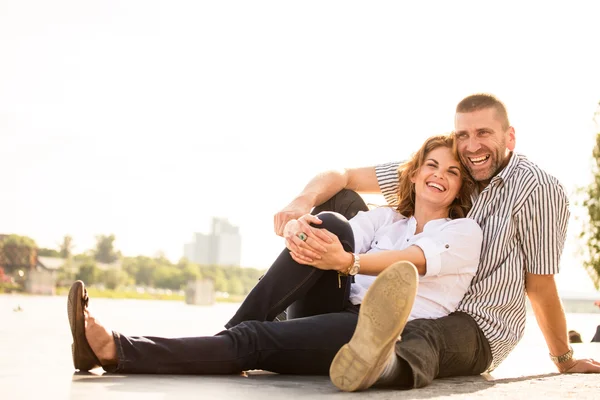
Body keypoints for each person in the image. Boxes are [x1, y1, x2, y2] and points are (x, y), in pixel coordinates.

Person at [68, 134, 483, 391]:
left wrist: (349, 262)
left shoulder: (462, 232)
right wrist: (299, 228)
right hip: (336, 307)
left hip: (374, 331)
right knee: (332, 221)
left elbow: (409, 262)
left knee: (256, 339)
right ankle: (225, 343)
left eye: (451, 172)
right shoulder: (389, 219)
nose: (439, 175)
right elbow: (330, 238)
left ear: (460, 186)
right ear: (412, 174)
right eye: (431, 165)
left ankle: (116, 350)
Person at [275, 93, 600, 391]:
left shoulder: (537, 188)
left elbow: (539, 283)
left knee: (420, 335)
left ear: (509, 137)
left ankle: (381, 366)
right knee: (340, 202)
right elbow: (344, 175)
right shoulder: (452, 170)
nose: (472, 146)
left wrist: (564, 359)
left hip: (476, 321)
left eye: (484, 133)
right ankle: (294, 316)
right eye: (464, 135)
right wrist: (300, 204)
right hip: (421, 299)